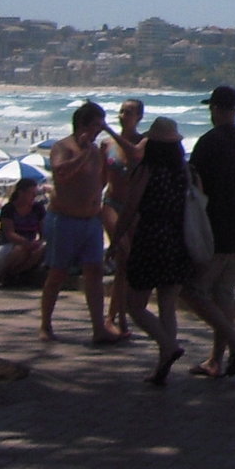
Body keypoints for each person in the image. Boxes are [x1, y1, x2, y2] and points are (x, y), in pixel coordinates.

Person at [183, 86, 235, 377]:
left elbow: (193, 185)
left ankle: (234, 340)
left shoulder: (208, 143)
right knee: (224, 295)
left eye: (212, 108)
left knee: (193, 291)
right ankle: (216, 360)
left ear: (218, 109)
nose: (210, 114)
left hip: (213, 230)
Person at [120, 118, 196, 387]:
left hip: (151, 236)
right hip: (178, 239)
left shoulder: (147, 170)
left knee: (135, 305)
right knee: (167, 307)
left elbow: (130, 208)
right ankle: (163, 365)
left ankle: (168, 346)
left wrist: (117, 236)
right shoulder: (184, 171)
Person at [40, 103, 122, 344]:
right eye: (97, 125)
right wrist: (84, 153)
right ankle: (45, 324)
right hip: (64, 219)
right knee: (57, 273)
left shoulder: (98, 152)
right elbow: (60, 173)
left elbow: (102, 180)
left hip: (90, 221)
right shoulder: (63, 147)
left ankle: (98, 327)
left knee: (94, 273)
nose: (100, 130)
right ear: (83, 125)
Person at [104, 99, 147, 335]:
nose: (123, 115)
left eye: (129, 112)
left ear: (139, 116)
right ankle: (112, 317)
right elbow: (101, 178)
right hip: (111, 204)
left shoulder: (144, 143)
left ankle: (119, 317)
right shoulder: (107, 144)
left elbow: (135, 156)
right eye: (121, 111)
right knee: (124, 253)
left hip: (135, 208)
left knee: (125, 265)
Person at [0, 178, 48, 286]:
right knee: (20, 249)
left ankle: (9, 274)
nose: (34, 197)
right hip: (8, 245)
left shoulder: (37, 208)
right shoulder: (9, 209)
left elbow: (43, 231)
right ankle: (2, 274)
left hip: (30, 245)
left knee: (42, 250)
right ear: (21, 193)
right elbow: (9, 233)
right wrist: (26, 243)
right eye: (32, 194)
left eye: (36, 194)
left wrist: (39, 242)